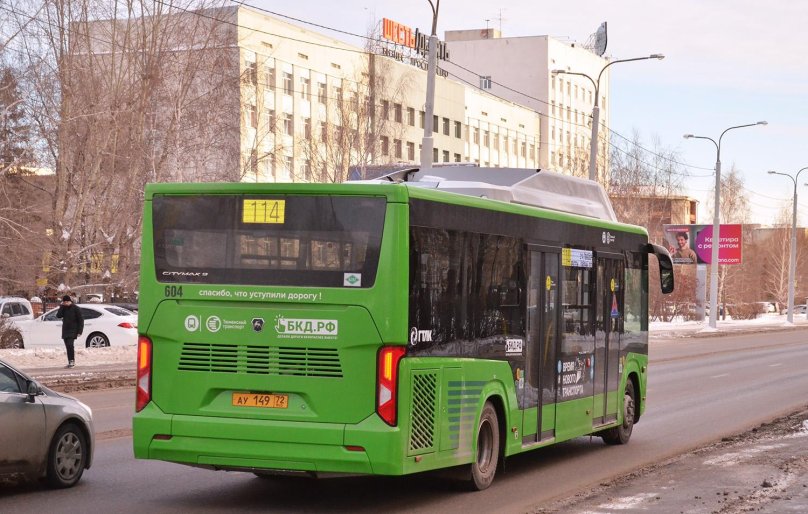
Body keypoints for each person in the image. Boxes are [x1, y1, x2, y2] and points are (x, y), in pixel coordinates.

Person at [56, 295, 84, 368]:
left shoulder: (76, 308)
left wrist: (80, 331)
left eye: (67, 302)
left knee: (70, 345)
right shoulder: (63, 308)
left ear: (70, 301)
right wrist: (61, 307)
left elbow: (81, 320)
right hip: (65, 330)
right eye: (64, 302)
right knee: (67, 346)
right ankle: (70, 361)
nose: (66, 303)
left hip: (73, 329)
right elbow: (58, 315)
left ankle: (72, 361)